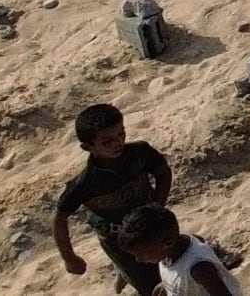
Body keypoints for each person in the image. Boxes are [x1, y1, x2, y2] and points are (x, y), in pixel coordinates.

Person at [53, 103, 173, 291]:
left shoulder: (139, 153)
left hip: (152, 227)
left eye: (121, 134)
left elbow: (163, 173)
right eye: (107, 141)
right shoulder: (84, 184)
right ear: (87, 147)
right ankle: (126, 271)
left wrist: (157, 207)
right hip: (119, 241)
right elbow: (60, 217)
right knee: (150, 285)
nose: (118, 143)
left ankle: (125, 272)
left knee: (171, 267)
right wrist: (69, 257)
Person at [113, 209, 240, 296]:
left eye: (143, 253)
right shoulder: (169, 252)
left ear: (167, 243)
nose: (139, 260)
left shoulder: (199, 268)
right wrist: (167, 285)